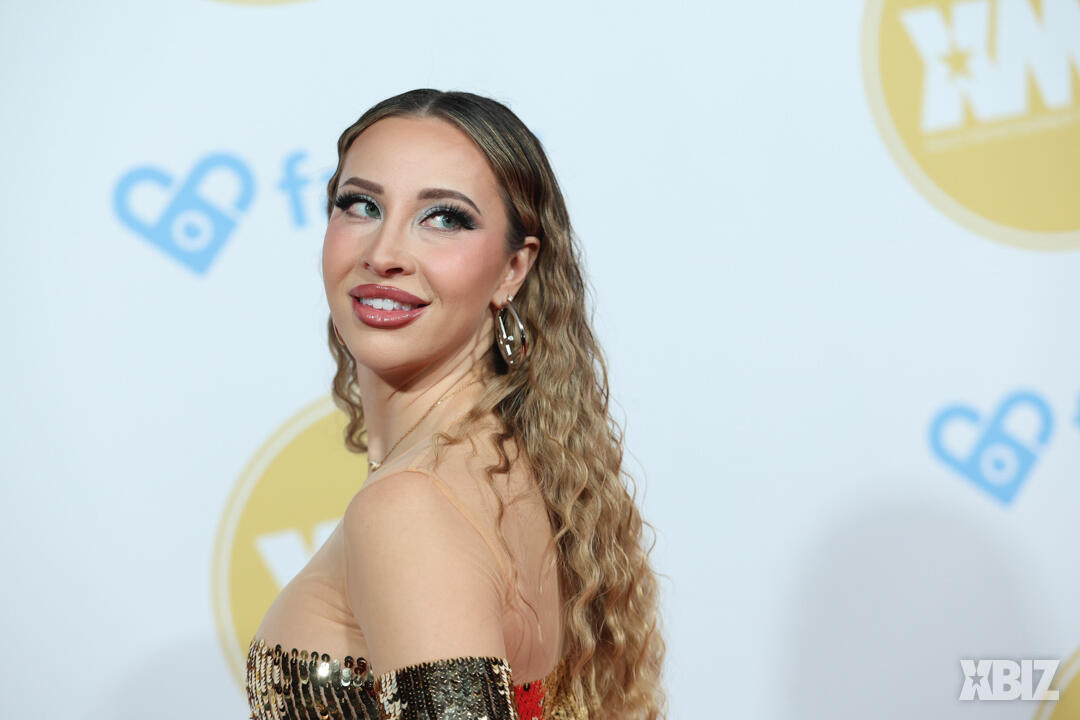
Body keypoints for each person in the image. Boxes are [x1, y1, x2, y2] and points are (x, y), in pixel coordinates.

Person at [246, 89, 666, 720]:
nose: (383, 254)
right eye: (361, 205)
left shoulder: (410, 506)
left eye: (444, 218)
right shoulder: (513, 465)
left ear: (513, 270)